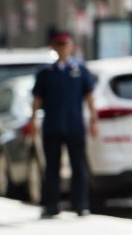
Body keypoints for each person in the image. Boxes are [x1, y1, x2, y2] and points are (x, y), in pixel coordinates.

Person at [28, 31, 97, 218]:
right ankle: (52, 204)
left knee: (78, 165)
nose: (62, 48)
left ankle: (81, 203)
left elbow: (90, 96)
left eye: (65, 44)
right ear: (54, 47)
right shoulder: (45, 72)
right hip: (52, 125)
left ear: (71, 46)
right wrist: (33, 119)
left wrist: (93, 119)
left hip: (74, 125)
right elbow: (37, 98)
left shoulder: (80, 70)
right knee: (52, 166)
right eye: (58, 44)